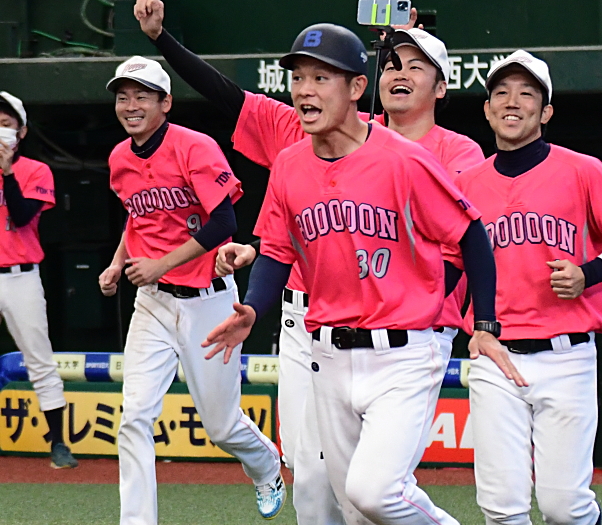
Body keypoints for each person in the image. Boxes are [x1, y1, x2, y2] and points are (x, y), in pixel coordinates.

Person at [133, 2, 484, 522]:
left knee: (371, 492)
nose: (400, 74)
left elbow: (466, 242)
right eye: (392, 63)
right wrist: (162, 39)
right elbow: (231, 103)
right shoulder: (309, 136)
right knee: (314, 476)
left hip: (405, 331)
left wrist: (430, 312)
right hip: (313, 323)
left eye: (416, 66)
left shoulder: (443, 154)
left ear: (440, 86)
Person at [201, 21, 526, 525]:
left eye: (321, 78)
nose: (305, 90)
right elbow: (278, 251)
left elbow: (470, 236)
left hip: (403, 351)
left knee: (375, 493)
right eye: (298, 78)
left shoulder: (404, 160)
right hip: (328, 352)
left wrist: (484, 325)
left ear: (356, 87)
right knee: (352, 509)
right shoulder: (289, 164)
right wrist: (255, 309)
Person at [454, 50, 602, 525]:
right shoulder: (463, 183)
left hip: (566, 355)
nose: (512, 102)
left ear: (545, 112)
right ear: (486, 109)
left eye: (526, 94)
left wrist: (591, 272)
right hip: (495, 355)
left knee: (565, 507)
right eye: (501, 92)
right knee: (501, 507)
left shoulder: (582, 169)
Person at [98, 56, 285, 524]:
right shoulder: (120, 157)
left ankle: (266, 466)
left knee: (221, 425)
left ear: (166, 102)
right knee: (134, 416)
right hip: (153, 303)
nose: (130, 105)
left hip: (209, 299)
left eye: (142, 96)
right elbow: (139, 218)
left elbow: (224, 221)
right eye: (123, 97)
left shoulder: (195, 146)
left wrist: (160, 263)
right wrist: (119, 263)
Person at [0, 91, 78, 470]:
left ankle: (58, 443)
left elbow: (21, 215)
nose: (0, 130)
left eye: (6, 124)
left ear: (21, 131)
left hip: (20, 276)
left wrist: (7, 171)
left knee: (39, 359)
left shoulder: (35, 170)